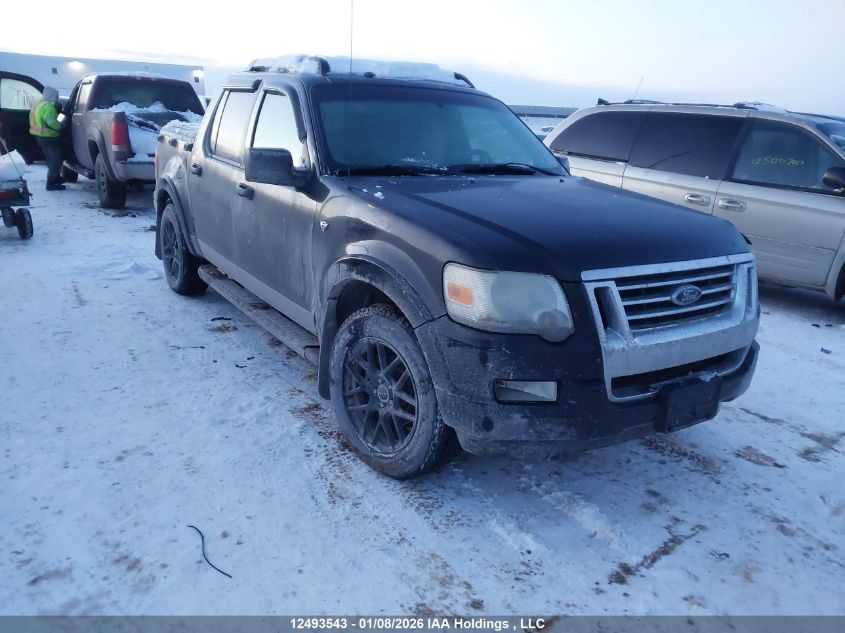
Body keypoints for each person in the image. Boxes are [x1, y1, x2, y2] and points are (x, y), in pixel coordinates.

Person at [29, 87, 65, 191]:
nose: (57, 98)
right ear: (52, 96)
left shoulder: (38, 104)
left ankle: (56, 178)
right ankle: (51, 182)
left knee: (50, 158)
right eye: (56, 96)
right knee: (55, 159)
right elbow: (52, 123)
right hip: (49, 136)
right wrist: (61, 126)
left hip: (40, 136)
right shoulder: (48, 107)